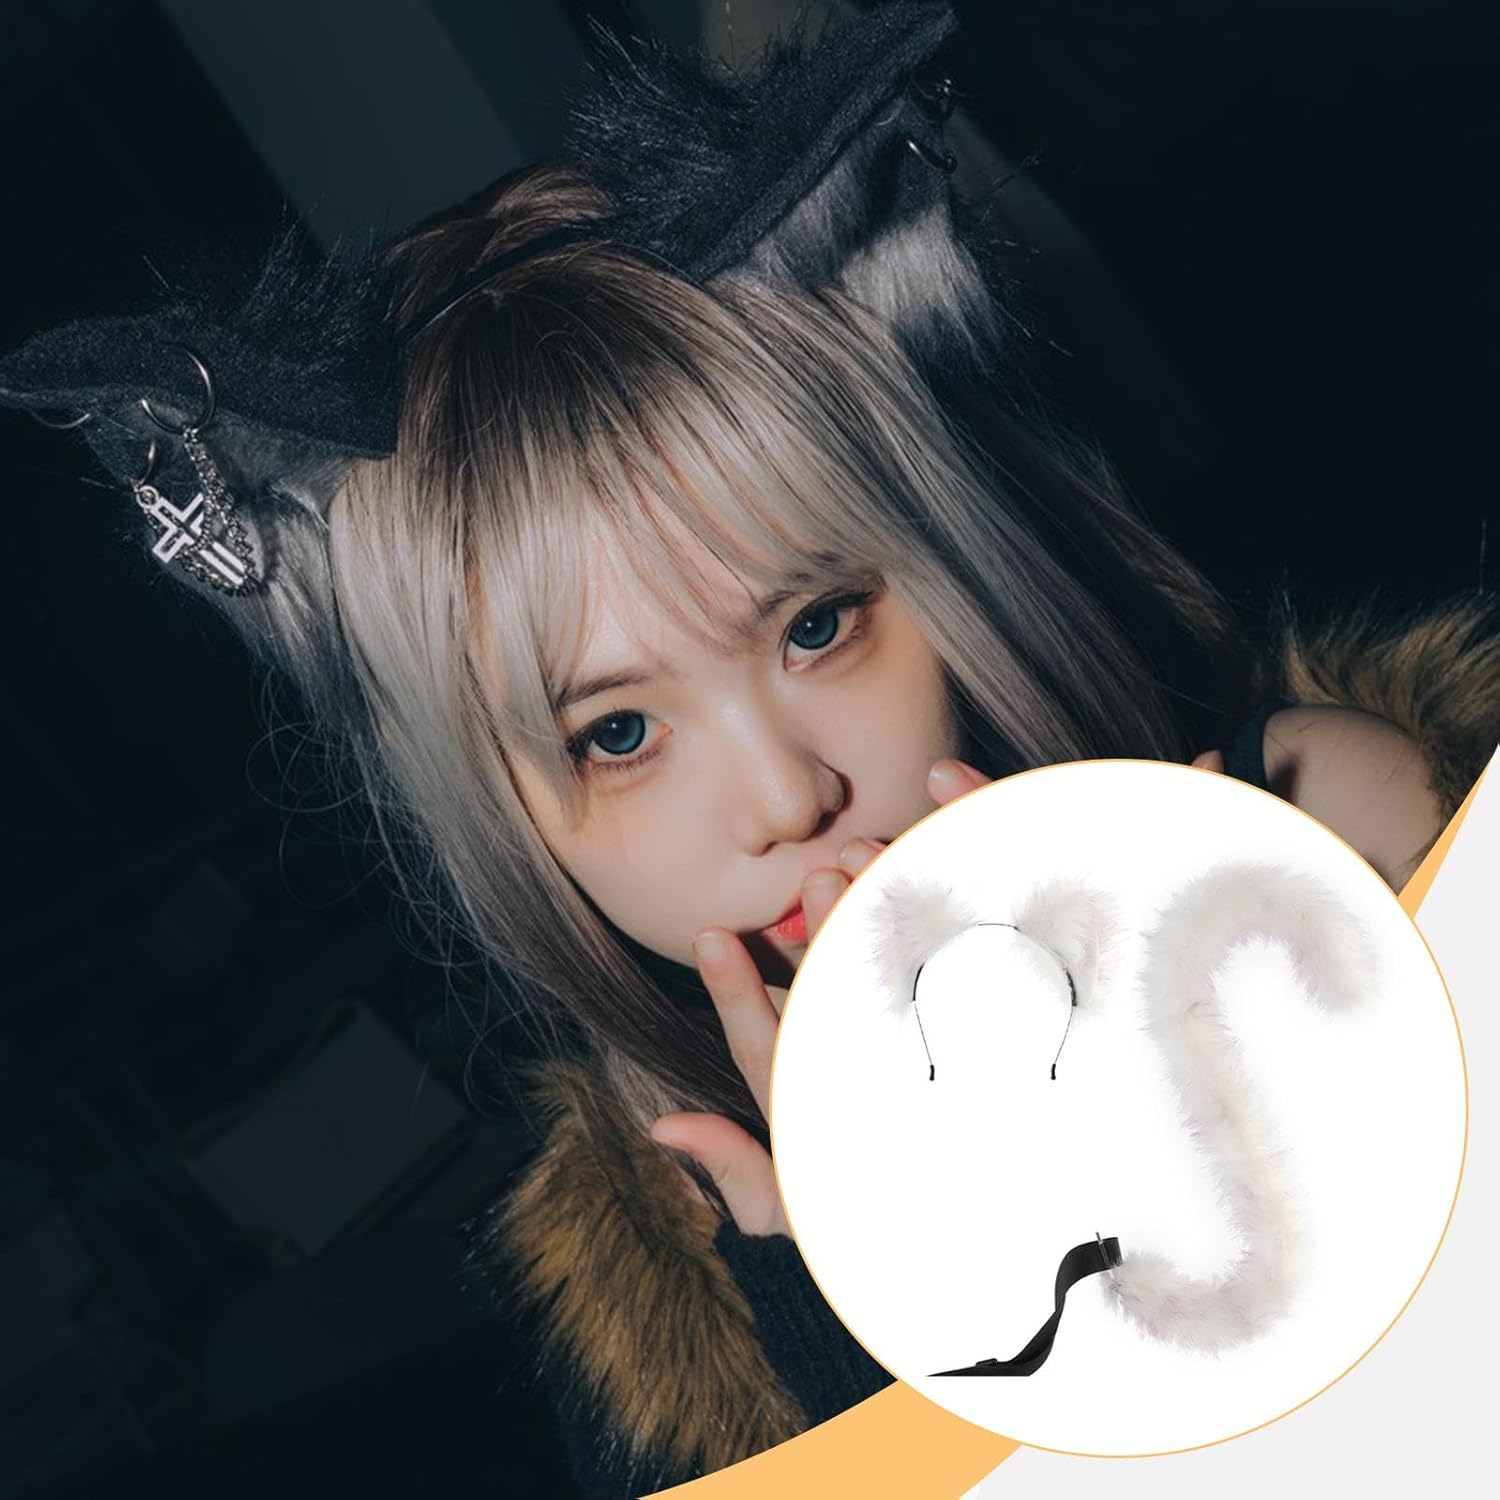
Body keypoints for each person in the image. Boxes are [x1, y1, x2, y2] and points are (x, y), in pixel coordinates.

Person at [1, 5, 1493, 1497]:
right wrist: (854, 1307)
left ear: (943, 568)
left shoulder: (1339, 825)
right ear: (498, 814)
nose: (788, 796)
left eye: (817, 627)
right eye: (620, 733)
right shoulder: (663, 1315)